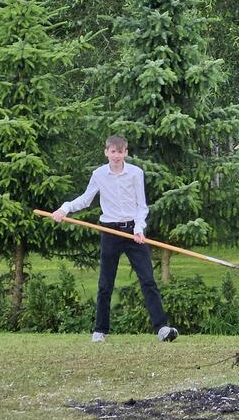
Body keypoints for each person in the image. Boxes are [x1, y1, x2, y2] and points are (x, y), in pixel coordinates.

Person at [51, 135, 178, 343]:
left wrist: (139, 228)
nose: (116, 155)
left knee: (148, 280)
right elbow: (85, 199)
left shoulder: (136, 173)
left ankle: (162, 328)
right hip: (109, 232)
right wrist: (64, 209)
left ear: (125, 153)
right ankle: (100, 330)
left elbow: (141, 206)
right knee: (105, 284)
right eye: (113, 152)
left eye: (120, 152)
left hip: (133, 232)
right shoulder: (99, 174)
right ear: (106, 152)